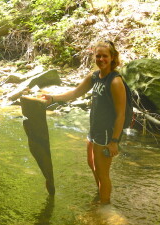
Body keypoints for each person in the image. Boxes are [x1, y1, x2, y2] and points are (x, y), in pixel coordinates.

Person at [42, 40, 126, 205]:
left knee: (103, 173)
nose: (101, 59)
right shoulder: (94, 77)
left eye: (105, 56)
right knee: (92, 165)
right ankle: (100, 195)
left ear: (113, 57)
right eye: (98, 56)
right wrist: (51, 98)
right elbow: (74, 94)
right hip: (94, 130)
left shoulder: (115, 81)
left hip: (107, 133)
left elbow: (121, 114)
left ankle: (105, 208)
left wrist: (114, 141)